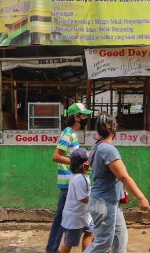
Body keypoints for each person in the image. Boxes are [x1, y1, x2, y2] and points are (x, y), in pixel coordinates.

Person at [84, 114, 150, 253]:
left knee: (120, 238)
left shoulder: (97, 147)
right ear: (114, 130)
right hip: (104, 204)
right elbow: (124, 177)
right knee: (102, 243)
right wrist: (141, 198)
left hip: (110, 202)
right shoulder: (108, 150)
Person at [46, 103, 93, 253]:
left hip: (69, 181)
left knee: (62, 217)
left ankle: (53, 248)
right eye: (83, 115)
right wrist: (76, 163)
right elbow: (56, 156)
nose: (86, 118)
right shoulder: (68, 133)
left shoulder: (72, 133)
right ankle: (55, 248)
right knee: (66, 220)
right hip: (68, 182)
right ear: (76, 117)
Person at [59, 148, 94, 253]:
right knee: (69, 242)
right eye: (88, 160)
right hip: (75, 218)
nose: (90, 162)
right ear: (83, 165)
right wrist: (97, 197)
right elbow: (83, 199)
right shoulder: (79, 179)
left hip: (84, 215)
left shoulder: (83, 175)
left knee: (90, 232)